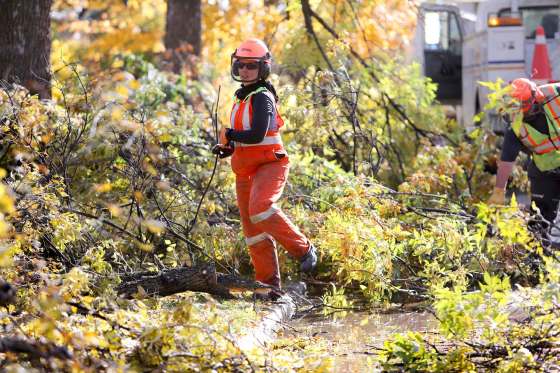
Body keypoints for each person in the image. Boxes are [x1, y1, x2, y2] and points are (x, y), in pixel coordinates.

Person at [212, 38, 318, 290]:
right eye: (241, 65)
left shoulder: (262, 97)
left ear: (263, 68)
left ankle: (304, 249)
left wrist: (231, 134)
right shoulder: (240, 98)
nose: (245, 70)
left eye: (251, 65)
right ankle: (268, 287)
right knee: (253, 231)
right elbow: (243, 137)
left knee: (261, 208)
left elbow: (258, 135)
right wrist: (227, 148)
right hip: (246, 171)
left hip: (270, 165)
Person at [488, 78, 560, 246]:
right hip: (545, 171)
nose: (522, 114)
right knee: (540, 218)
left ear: (536, 99)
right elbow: (507, 159)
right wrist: (499, 190)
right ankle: (537, 261)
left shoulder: (555, 94)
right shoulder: (514, 128)